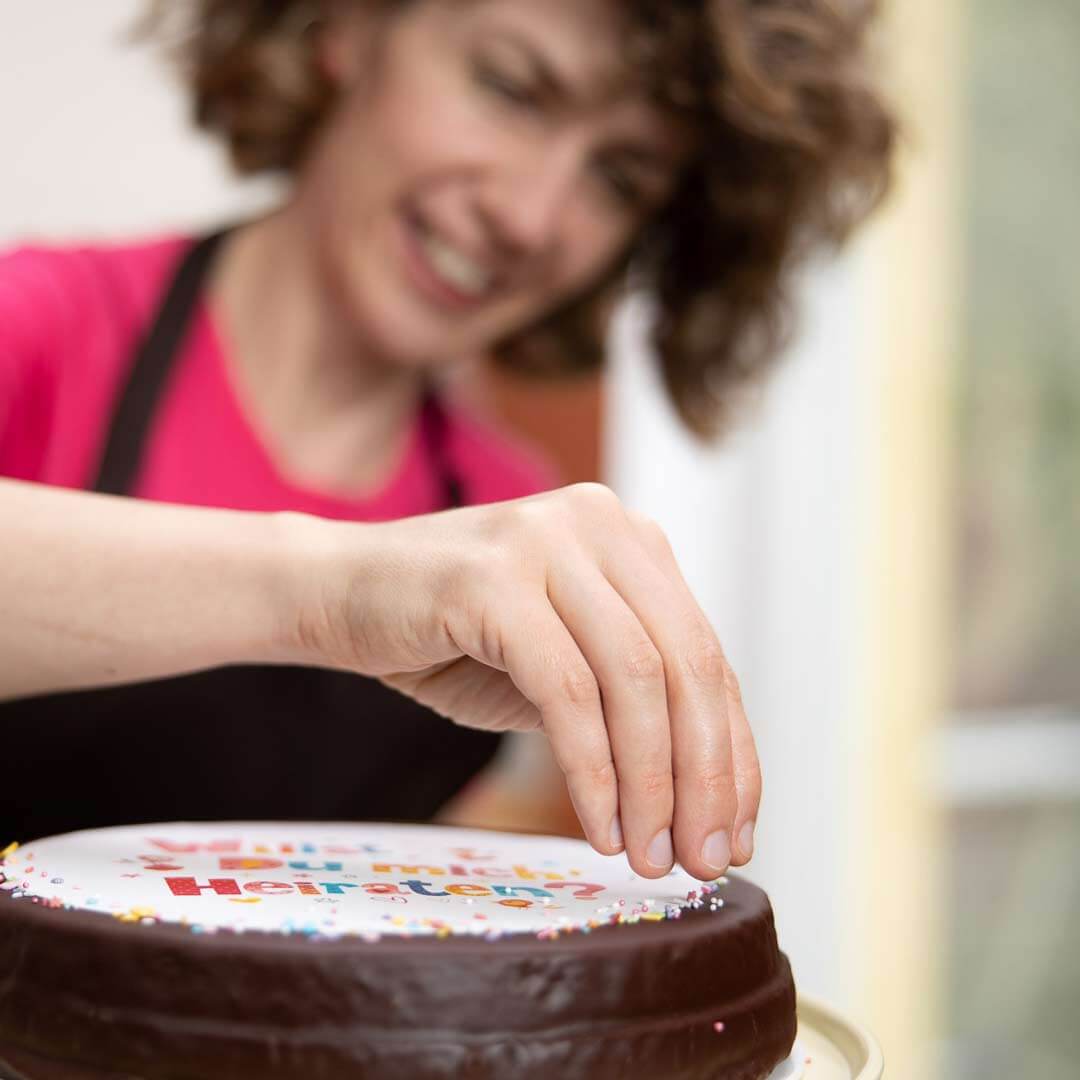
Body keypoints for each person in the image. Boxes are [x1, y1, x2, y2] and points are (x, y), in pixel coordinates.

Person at [0, 0, 894, 882]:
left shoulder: (501, 508)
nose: (532, 217)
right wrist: (328, 596)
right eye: (510, 87)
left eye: (619, 179)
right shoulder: (41, 330)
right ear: (343, 26)